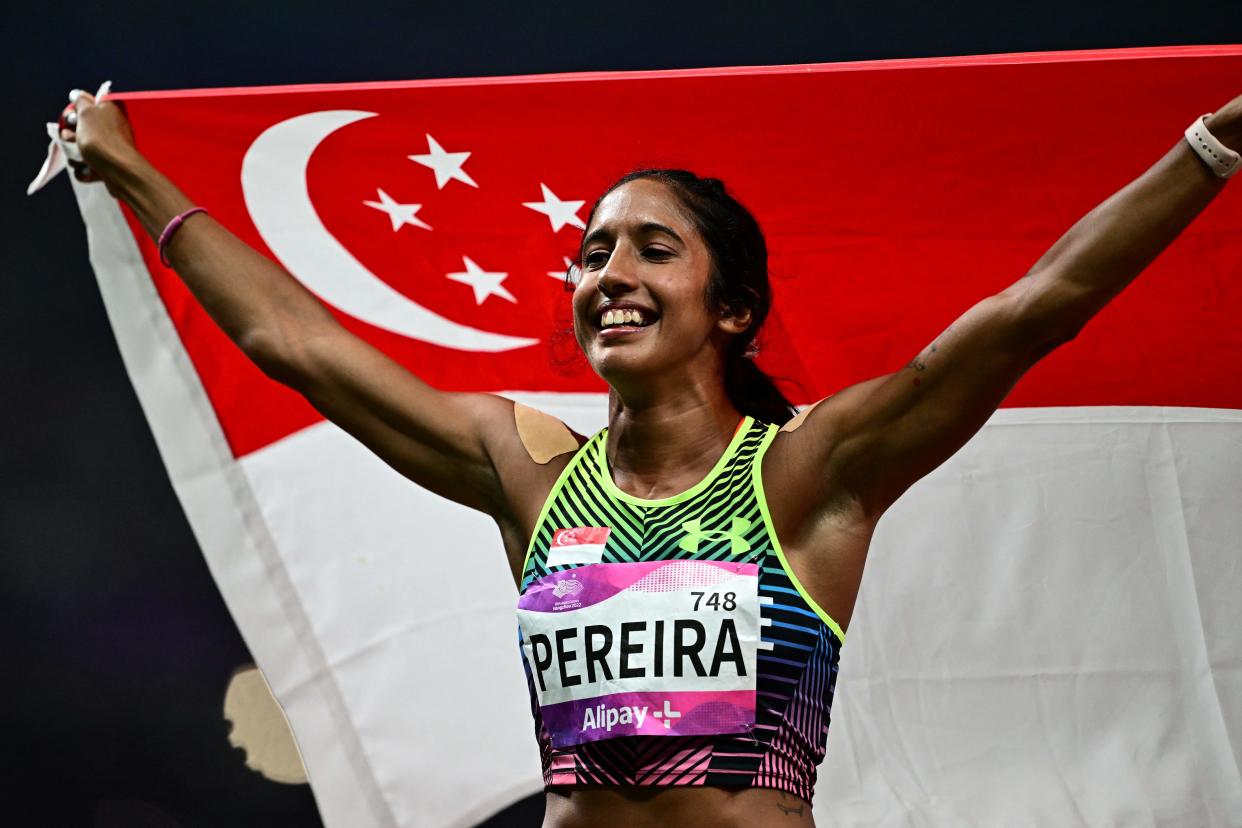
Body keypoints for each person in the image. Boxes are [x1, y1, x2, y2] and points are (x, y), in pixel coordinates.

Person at [62, 89, 1241, 827]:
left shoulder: (805, 474)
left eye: (652, 248)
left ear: (730, 309)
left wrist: (1207, 149)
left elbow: (1041, 306)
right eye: (590, 252)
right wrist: (134, 170)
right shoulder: (525, 472)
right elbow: (291, 340)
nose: (608, 271)